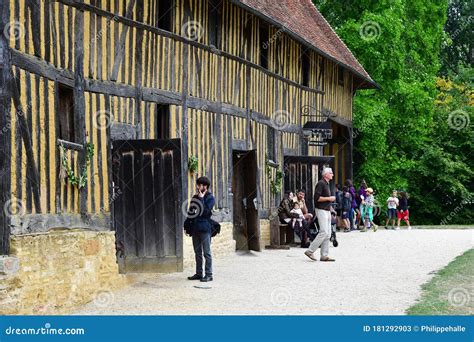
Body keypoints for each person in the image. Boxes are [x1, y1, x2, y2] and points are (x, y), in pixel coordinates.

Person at [187, 176, 215, 282]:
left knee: (206, 253)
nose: (198, 187)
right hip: (195, 228)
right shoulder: (195, 197)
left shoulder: (210, 198)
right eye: (198, 185)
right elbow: (190, 212)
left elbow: (205, 212)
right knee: (197, 252)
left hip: (205, 228)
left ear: (205, 186)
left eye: (200, 185)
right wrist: (188, 226)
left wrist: (202, 198)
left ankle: (209, 274)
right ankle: (199, 273)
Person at [304, 167, 336, 262]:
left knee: (328, 234)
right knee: (323, 232)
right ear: (326, 174)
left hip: (326, 210)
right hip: (321, 210)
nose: (332, 174)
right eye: (331, 173)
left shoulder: (326, 184)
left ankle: (324, 255)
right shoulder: (321, 183)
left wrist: (331, 208)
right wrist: (329, 199)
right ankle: (310, 251)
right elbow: (317, 198)